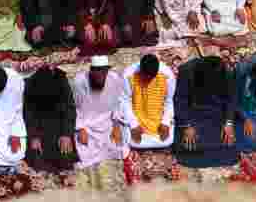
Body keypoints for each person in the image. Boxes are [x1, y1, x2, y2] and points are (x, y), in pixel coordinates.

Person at [71, 56, 128, 189]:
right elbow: (75, 107)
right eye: (97, 71)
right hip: (87, 124)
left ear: (107, 71)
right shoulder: (80, 81)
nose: (100, 75)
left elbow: (117, 103)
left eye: (103, 71)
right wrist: (80, 129)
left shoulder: (114, 79)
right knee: (84, 151)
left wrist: (116, 125)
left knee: (119, 146)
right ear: (91, 71)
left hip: (107, 122)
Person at [172, 57, 238, 168]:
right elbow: (179, 100)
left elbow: (231, 98)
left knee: (228, 143)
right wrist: (187, 125)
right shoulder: (187, 71)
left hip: (216, 112)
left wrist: (229, 122)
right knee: (188, 144)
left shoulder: (225, 72)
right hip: (192, 112)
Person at [23, 67, 77, 172]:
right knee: (36, 159)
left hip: (59, 128)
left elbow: (69, 109)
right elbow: (28, 112)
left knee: (66, 158)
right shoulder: (31, 83)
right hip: (39, 127)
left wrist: (66, 134)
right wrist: (33, 136)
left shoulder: (61, 81)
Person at [120, 54, 176, 150]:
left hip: (157, 113)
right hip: (137, 112)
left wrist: (165, 122)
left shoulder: (168, 75)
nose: (148, 81)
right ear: (140, 70)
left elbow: (169, 101)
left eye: (151, 78)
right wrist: (134, 124)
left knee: (166, 142)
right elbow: (125, 101)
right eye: (145, 77)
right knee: (134, 142)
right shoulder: (128, 75)